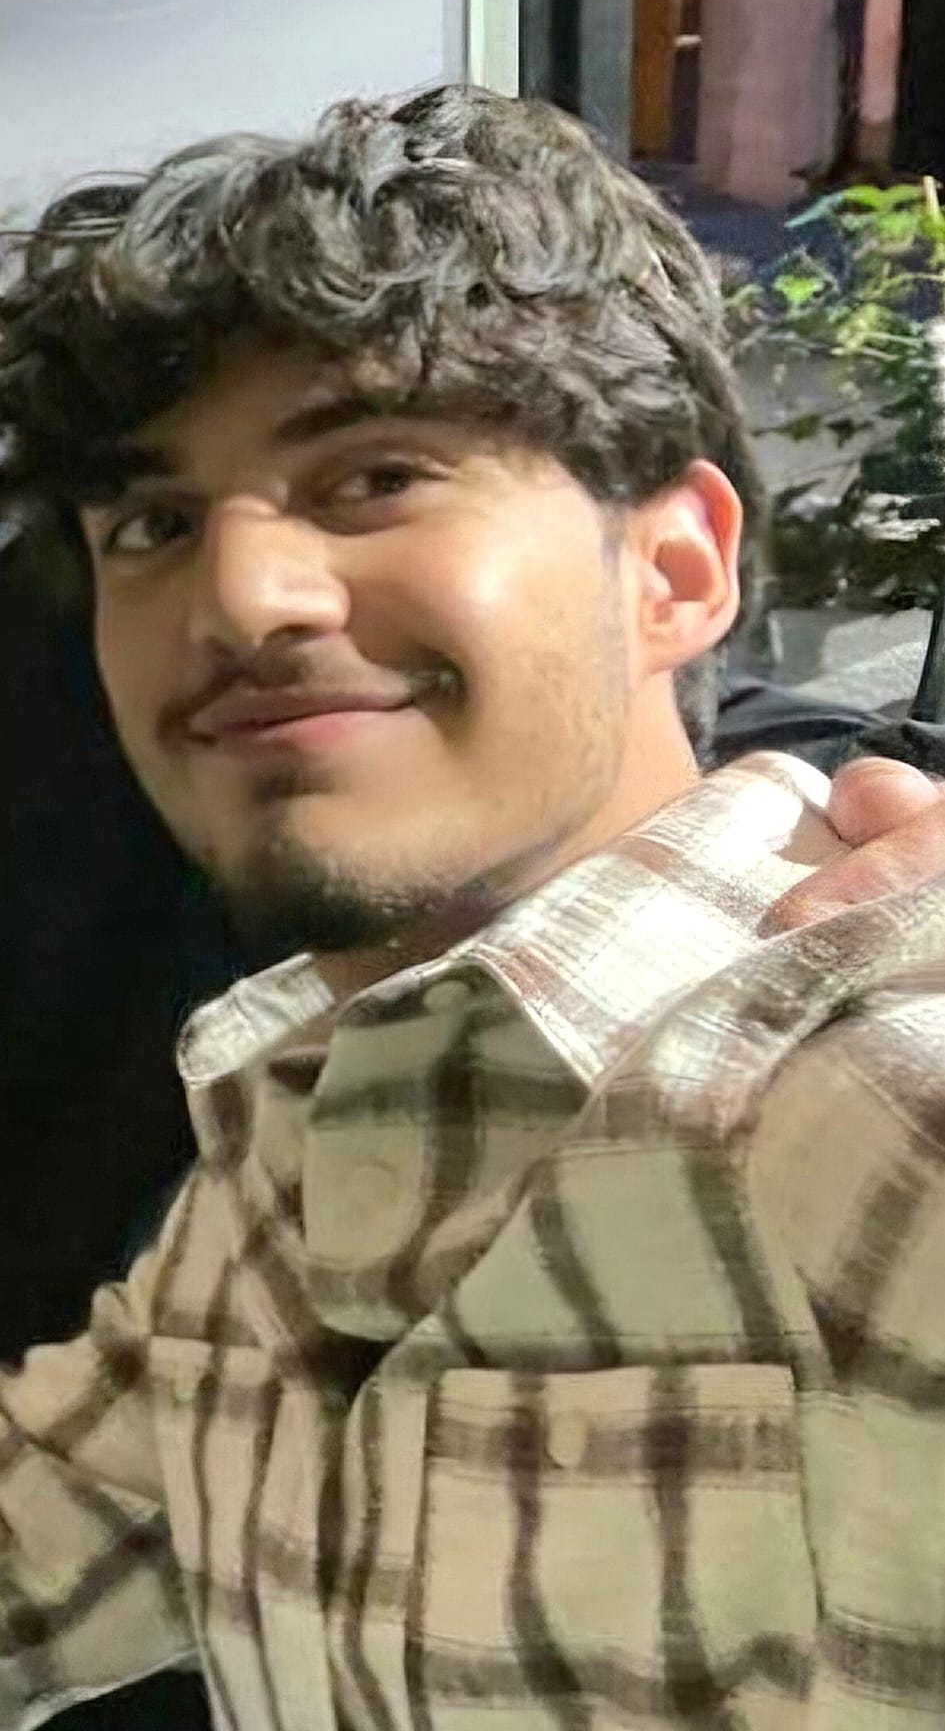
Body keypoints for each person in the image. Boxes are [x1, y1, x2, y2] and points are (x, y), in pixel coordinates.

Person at [1, 85, 945, 1731]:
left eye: (375, 475)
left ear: (676, 571)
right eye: (152, 526)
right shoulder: (277, 1144)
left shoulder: (876, 1122)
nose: (238, 597)